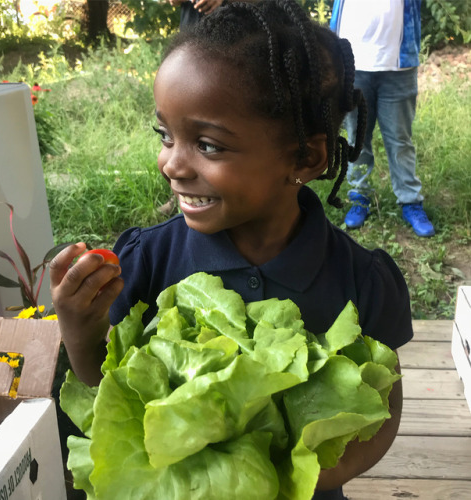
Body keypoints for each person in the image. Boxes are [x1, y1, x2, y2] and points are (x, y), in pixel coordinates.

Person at [50, 2, 413, 498]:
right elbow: (112, 400)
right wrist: (80, 334)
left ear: (306, 157)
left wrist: (287, 480)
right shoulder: (146, 261)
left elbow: (383, 410)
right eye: (165, 135)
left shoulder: (363, 282)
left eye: (208, 145)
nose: (172, 164)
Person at [330, 0, 435, 238]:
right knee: (357, 139)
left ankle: (410, 202)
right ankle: (360, 197)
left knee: (400, 140)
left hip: (398, 64)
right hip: (351, 62)